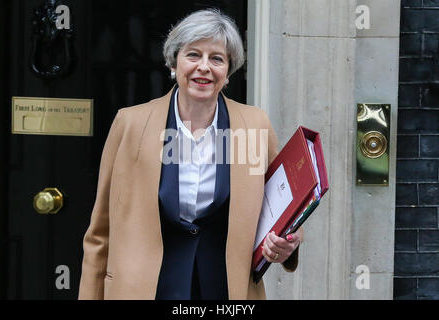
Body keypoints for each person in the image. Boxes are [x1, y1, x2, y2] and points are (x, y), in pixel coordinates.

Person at [78, 8, 303, 300]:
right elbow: (100, 233)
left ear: (229, 70)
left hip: (225, 290)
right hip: (142, 289)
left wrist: (288, 243)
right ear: (174, 62)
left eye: (217, 58)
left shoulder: (255, 124)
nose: (204, 67)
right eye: (193, 55)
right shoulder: (130, 123)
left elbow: (283, 206)